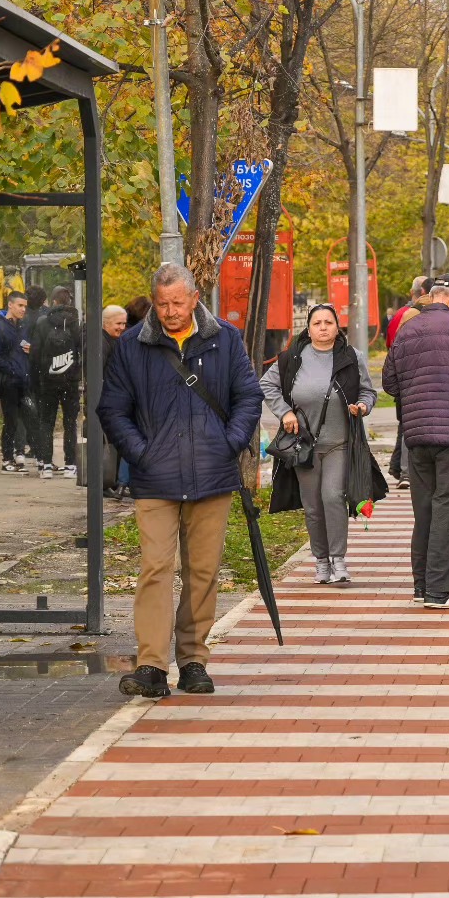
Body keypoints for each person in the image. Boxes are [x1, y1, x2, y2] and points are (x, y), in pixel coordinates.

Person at [98, 263, 263, 699]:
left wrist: (228, 443)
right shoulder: (133, 344)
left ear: (194, 298)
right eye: (162, 304)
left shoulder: (225, 339)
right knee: (155, 568)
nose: (170, 312)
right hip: (156, 476)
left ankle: (193, 661)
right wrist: (142, 452)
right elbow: (112, 408)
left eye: (177, 303)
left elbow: (248, 396)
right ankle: (152, 664)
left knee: (203, 572)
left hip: (212, 473)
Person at [381, 273, 449, 609]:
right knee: (448, 506)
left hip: (415, 433)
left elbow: (389, 384)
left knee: (424, 509)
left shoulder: (407, 328)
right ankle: (439, 592)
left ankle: (421, 586)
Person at [261, 304, 377, 584]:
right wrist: (285, 413)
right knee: (312, 505)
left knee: (333, 497)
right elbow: (266, 385)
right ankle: (321, 561)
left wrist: (363, 406)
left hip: (340, 443)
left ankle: (338, 559)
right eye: (317, 323)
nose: (323, 327)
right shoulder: (292, 358)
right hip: (304, 446)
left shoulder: (352, 357)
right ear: (309, 328)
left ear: (337, 327)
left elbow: (368, 391)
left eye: (328, 322)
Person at [28, 286, 83, 479]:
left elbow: (35, 354)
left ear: (53, 302)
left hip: (48, 381)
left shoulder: (43, 323)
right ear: (69, 302)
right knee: (70, 423)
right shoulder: (76, 323)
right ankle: (70, 465)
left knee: (46, 422)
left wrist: (37, 379)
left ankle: (46, 465)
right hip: (70, 382)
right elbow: (82, 351)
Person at [386, 275, 432, 489]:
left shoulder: (401, 315)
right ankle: (405, 471)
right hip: (419, 383)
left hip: (405, 382)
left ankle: (401, 469)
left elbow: (391, 345)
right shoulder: (440, 317)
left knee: (405, 426)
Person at [0, 291, 38, 474]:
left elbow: (25, 347)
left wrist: (32, 351)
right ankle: (7, 459)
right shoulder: (0, 327)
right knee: (11, 420)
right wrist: (13, 369)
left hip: (24, 380)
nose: (23, 309)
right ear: (10, 305)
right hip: (9, 382)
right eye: (20, 305)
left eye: (25, 306)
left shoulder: (23, 325)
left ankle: (26, 454)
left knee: (30, 416)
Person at [99, 304, 129, 499]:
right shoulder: (101, 343)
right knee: (107, 442)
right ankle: (105, 481)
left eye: (124, 324)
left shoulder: (112, 341)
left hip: (112, 398)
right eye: (118, 324)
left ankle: (112, 480)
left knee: (113, 441)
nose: (122, 328)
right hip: (105, 399)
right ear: (106, 323)